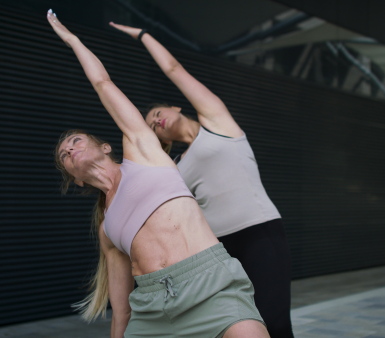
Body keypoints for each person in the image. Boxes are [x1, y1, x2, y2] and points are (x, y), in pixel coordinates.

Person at [46, 10, 269, 338]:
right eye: (64, 155)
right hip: (153, 308)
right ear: (75, 179)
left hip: (210, 283)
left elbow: (102, 83)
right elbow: (121, 309)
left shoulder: (143, 153)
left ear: (106, 146)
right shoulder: (108, 227)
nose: (69, 149)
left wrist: (73, 40)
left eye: (75, 141)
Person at [110, 23, 294, 337]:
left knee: (273, 322)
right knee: (229, 326)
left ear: (175, 107)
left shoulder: (218, 123)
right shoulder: (174, 166)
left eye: (157, 113)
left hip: (259, 233)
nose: (157, 120)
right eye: (152, 124)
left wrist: (143, 35)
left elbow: (173, 67)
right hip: (218, 252)